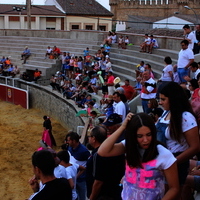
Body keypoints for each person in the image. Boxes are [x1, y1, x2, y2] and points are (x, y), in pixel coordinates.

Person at [98, 113, 180, 200]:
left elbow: (174, 188)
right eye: (140, 136)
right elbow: (103, 151)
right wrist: (122, 127)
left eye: (148, 135)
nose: (145, 140)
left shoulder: (164, 154)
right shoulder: (129, 146)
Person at [159, 82, 199, 195]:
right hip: (164, 161)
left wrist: (173, 163)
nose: (160, 102)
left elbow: (195, 146)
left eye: (163, 99)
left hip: (175, 162)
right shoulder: (166, 113)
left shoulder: (186, 117)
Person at [88, 126, 125, 200]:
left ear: (94, 138)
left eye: (89, 136)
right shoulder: (116, 151)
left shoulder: (97, 155)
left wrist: (91, 198)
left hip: (102, 195)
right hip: (116, 192)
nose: (88, 138)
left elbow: (98, 181)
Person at [66, 132, 90, 200]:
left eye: (69, 140)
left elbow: (87, 165)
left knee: (82, 197)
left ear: (73, 141)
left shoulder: (84, 151)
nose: (67, 142)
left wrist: (77, 176)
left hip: (81, 179)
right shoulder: (69, 148)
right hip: (73, 178)